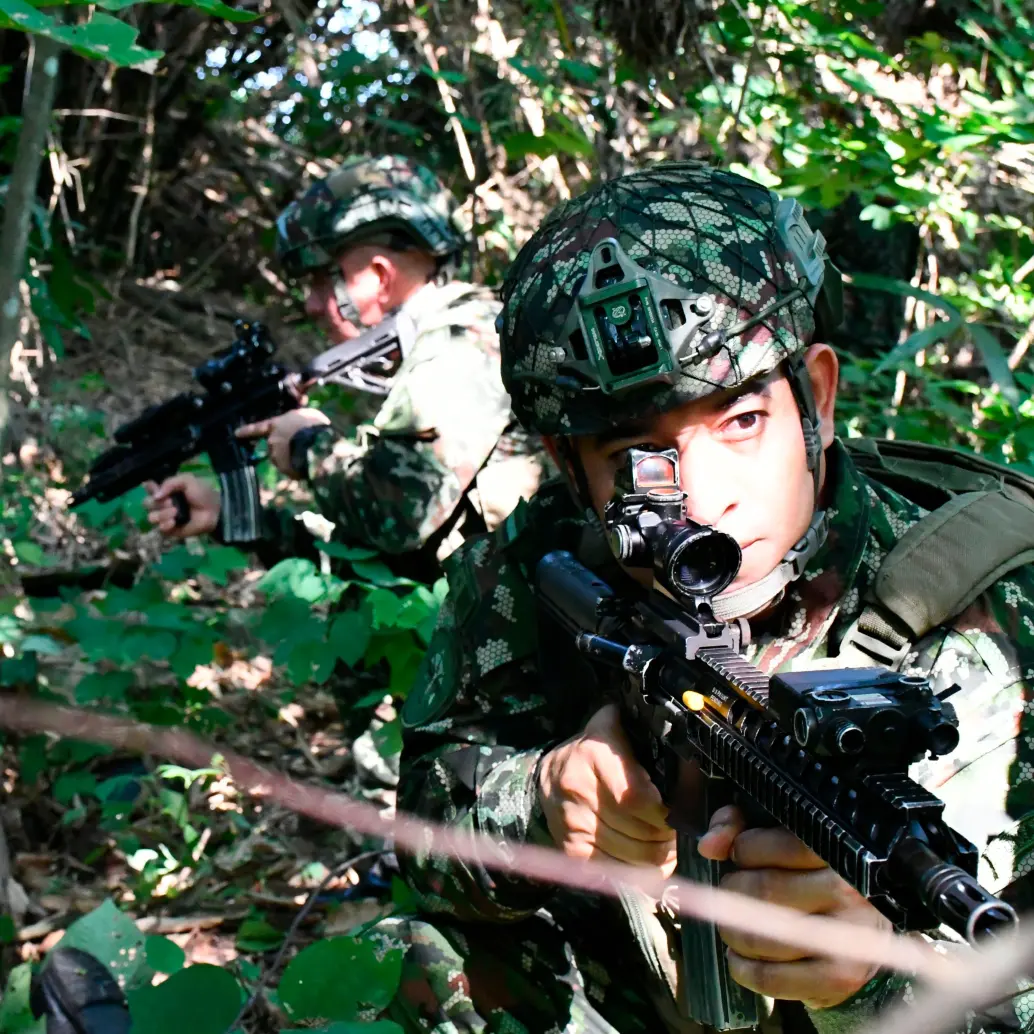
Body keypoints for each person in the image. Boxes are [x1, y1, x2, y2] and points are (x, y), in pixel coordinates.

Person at [371, 161, 1034, 1034]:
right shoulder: (538, 567)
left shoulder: (999, 604)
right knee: (413, 959)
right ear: (573, 472)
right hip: (637, 998)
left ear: (819, 401)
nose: (703, 498)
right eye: (635, 459)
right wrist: (538, 802)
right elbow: (420, 818)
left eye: (742, 422)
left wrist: (878, 985)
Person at [144, 155, 551, 584]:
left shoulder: (462, 343)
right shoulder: (446, 346)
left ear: (379, 276)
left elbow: (402, 515)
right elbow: (385, 563)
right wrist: (234, 517)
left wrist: (309, 447)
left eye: (323, 279)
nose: (312, 304)